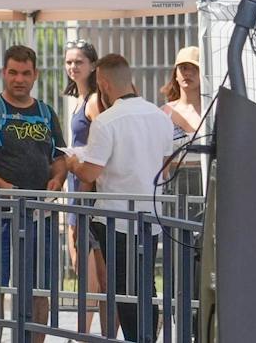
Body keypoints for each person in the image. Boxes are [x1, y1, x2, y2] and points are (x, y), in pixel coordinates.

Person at [65, 54, 177, 343]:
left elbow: (90, 172)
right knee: (146, 285)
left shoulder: (106, 121)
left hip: (115, 217)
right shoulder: (160, 116)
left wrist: (73, 162)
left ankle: (138, 338)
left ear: (102, 82)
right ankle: (148, 337)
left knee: (124, 289)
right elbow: (167, 163)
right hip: (151, 215)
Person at [0, 44, 68, 343]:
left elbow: (59, 156)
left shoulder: (47, 112)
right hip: (0, 213)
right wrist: (6, 188)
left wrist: (59, 176)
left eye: (26, 73)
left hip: (42, 214)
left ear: (35, 74)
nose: (19, 79)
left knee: (40, 286)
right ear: (4, 73)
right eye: (13, 72)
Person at [62, 40, 105, 336]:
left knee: (94, 275)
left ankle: (90, 335)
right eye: (69, 62)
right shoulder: (77, 99)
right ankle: (84, 334)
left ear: (92, 65)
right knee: (82, 269)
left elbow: (102, 142)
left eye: (79, 62)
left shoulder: (93, 101)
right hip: (76, 187)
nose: (73, 67)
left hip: (89, 190)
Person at [160, 46, 203, 136]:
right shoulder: (165, 112)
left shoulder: (211, 110)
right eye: (183, 68)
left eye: (195, 68)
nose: (188, 73)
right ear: (176, 74)